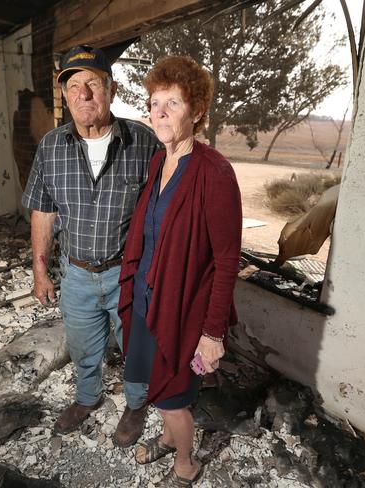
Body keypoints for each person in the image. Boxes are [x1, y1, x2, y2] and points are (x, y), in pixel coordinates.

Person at [21, 45, 159, 446]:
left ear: (111, 90)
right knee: (83, 347)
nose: (84, 95)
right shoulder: (50, 147)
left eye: (93, 84)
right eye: (74, 86)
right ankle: (87, 398)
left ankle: (136, 403)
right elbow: (43, 213)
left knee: (136, 345)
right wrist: (40, 271)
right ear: (65, 96)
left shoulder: (143, 142)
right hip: (77, 274)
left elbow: (166, 207)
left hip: (127, 273)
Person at [118, 56, 242, 487]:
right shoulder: (158, 163)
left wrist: (212, 334)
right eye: (155, 102)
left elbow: (227, 260)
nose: (162, 112)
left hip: (183, 310)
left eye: (174, 102)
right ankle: (171, 440)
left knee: (173, 398)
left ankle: (185, 465)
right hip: (149, 302)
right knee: (157, 389)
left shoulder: (215, 173)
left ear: (198, 111)